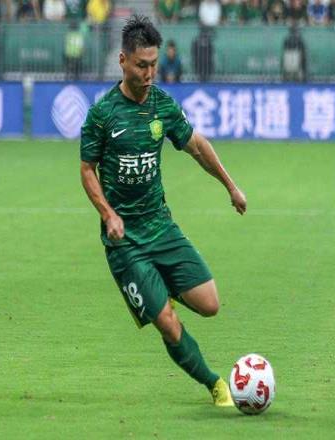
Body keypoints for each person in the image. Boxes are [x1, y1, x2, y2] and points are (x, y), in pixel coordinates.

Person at [80, 14, 247, 406]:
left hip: (161, 226)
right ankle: (215, 384)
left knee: (210, 304)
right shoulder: (103, 114)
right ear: (123, 60)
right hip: (125, 242)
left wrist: (231, 186)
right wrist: (108, 214)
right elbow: (87, 170)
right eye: (142, 65)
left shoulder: (162, 106)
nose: (150, 73)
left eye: (154, 64)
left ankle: (159, 288)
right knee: (168, 324)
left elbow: (197, 146)